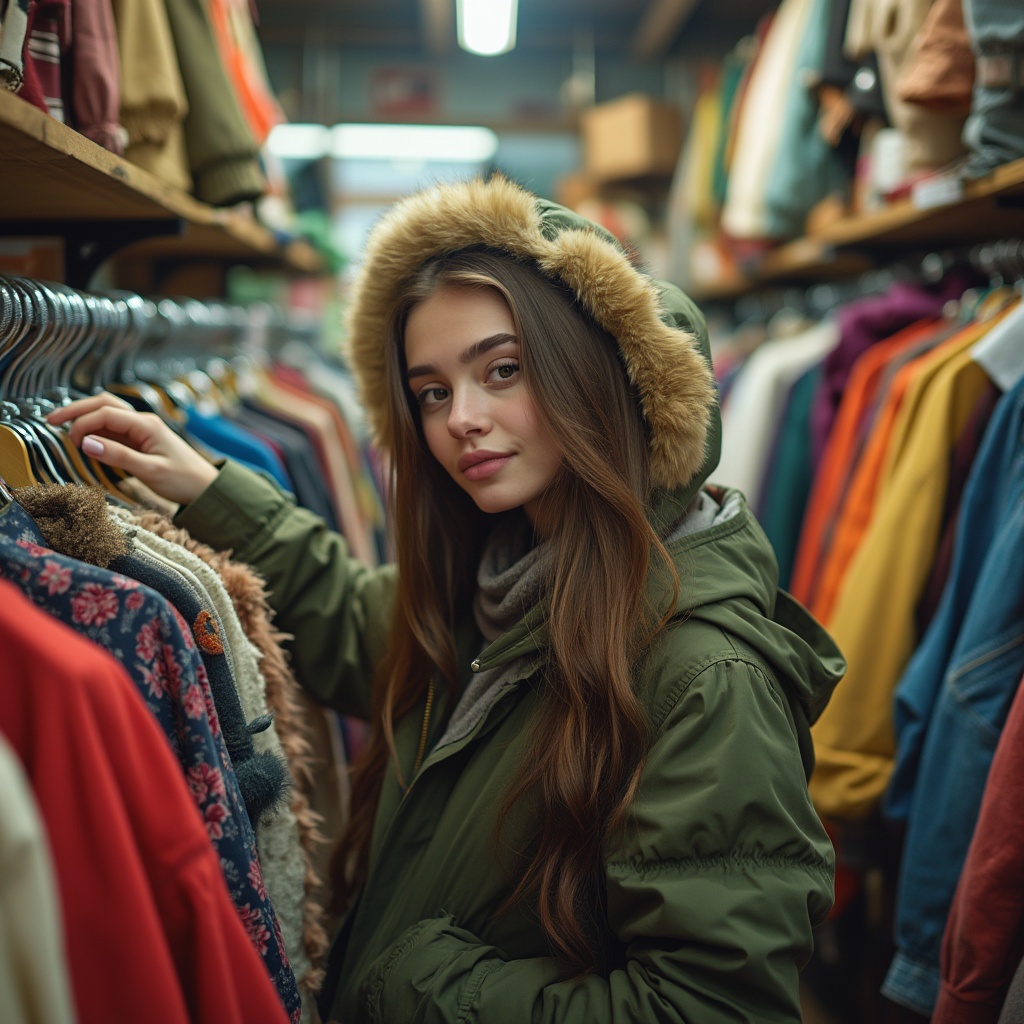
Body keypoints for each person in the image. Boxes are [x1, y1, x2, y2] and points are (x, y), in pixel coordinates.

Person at [48, 175, 845, 1023]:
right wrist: (209, 489)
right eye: (432, 392)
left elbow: (712, 1008)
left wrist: (417, 985)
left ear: (602, 373)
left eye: (502, 370)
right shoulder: (506, 580)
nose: (461, 417)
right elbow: (362, 624)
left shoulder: (703, 677)